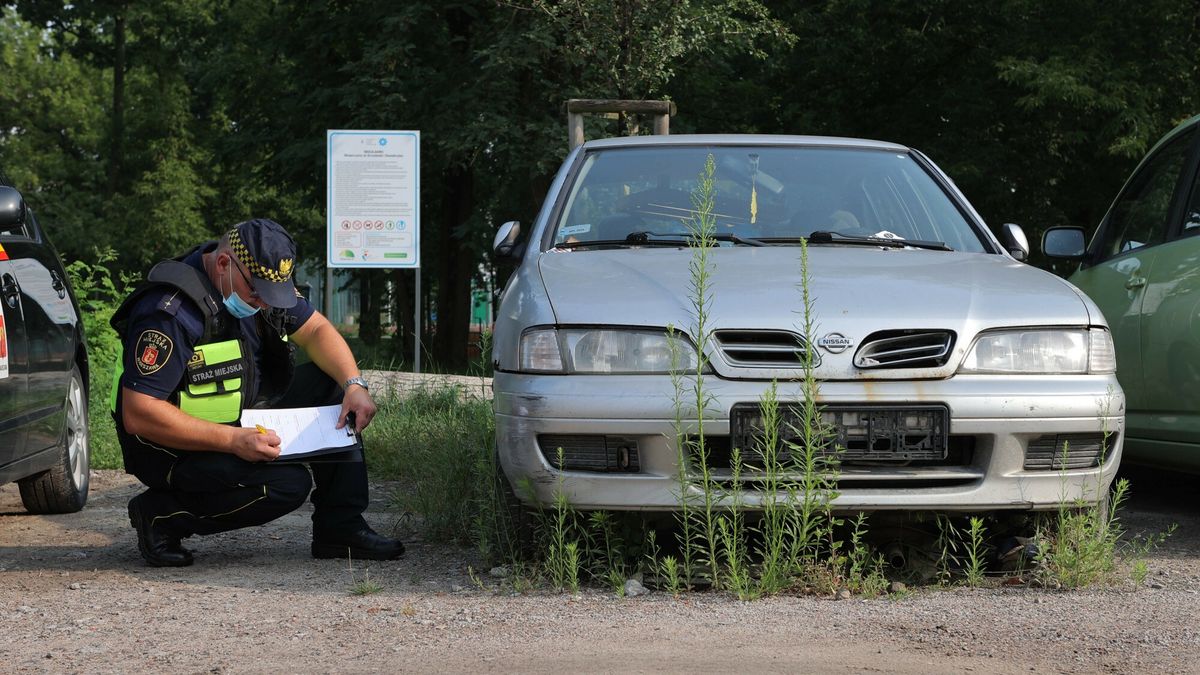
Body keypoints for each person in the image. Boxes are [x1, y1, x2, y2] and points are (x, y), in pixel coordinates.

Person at [110, 218, 404, 567]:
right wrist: (234, 441)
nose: (265, 303)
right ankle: (161, 514)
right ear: (223, 264)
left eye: (272, 295)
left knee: (333, 387)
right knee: (286, 484)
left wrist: (354, 384)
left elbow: (316, 330)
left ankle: (340, 529)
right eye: (257, 294)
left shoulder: (255, 281)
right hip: (171, 447)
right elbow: (140, 412)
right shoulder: (170, 312)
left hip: (241, 412)